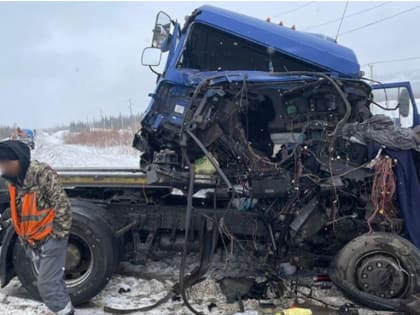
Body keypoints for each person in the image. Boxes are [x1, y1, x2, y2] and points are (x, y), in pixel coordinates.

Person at [0, 140, 74, 315]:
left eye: (6, 163)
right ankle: (64, 309)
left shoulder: (42, 175)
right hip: (32, 241)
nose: (3, 168)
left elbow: (62, 206)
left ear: (19, 160)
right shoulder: (12, 181)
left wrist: (57, 236)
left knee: (47, 286)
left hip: (50, 239)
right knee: (53, 283)